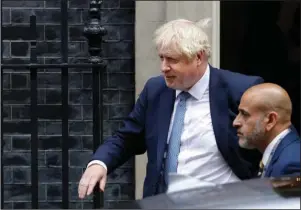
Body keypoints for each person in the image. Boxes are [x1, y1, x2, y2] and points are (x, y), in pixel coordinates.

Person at [78, 18, 264, 199]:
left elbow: (274, 143)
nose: (163, 67)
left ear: (198, 57)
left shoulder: (241, 90)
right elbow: (127, 138)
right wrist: (99, 163)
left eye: (172, 60)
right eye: (161, 58)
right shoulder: (155, 90)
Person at [233, 83, 300, 177]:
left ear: (270, 120)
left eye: (244, 114)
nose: (235, 122)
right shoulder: (281, 153)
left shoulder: (291, 166)